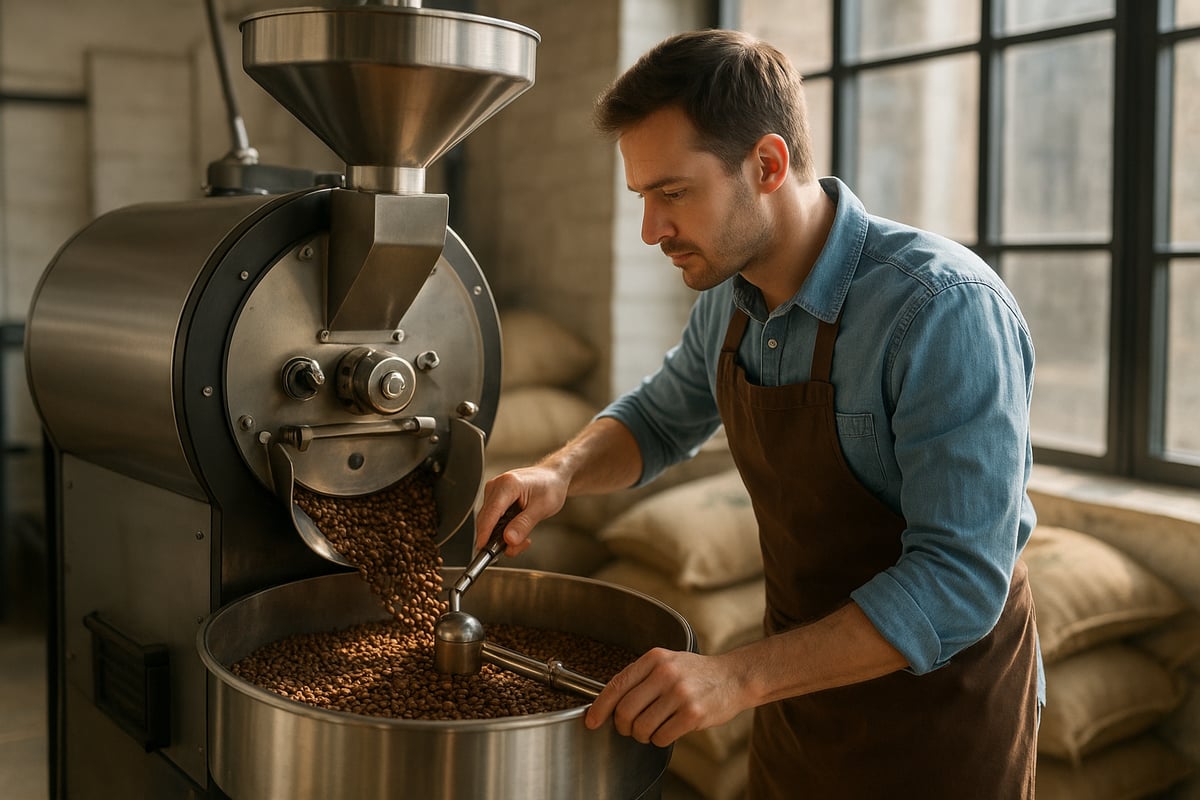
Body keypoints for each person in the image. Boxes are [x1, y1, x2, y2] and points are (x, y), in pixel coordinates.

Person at [474, 28, 1042, 799]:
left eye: (673, 193)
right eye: (643, 197)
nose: (652, 231)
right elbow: (661, 417)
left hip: (941, 726)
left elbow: (959, 581)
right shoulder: (730, 299)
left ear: (768, 165)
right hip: (796, 704)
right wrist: (558, 474)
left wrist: (732, 679)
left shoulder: (943, 311)